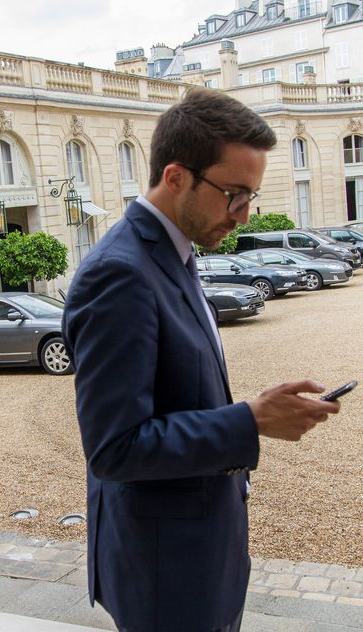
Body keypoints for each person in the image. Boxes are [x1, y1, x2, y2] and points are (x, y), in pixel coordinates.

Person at [62, 88, 340, 632]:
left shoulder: (174, 253)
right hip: (167, 575)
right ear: (176, 177)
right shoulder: (120, 273)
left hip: (200, 555)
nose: (242, 215)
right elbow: (114, 449)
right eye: (234, 194)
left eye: (251, 197)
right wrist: (250, 420)